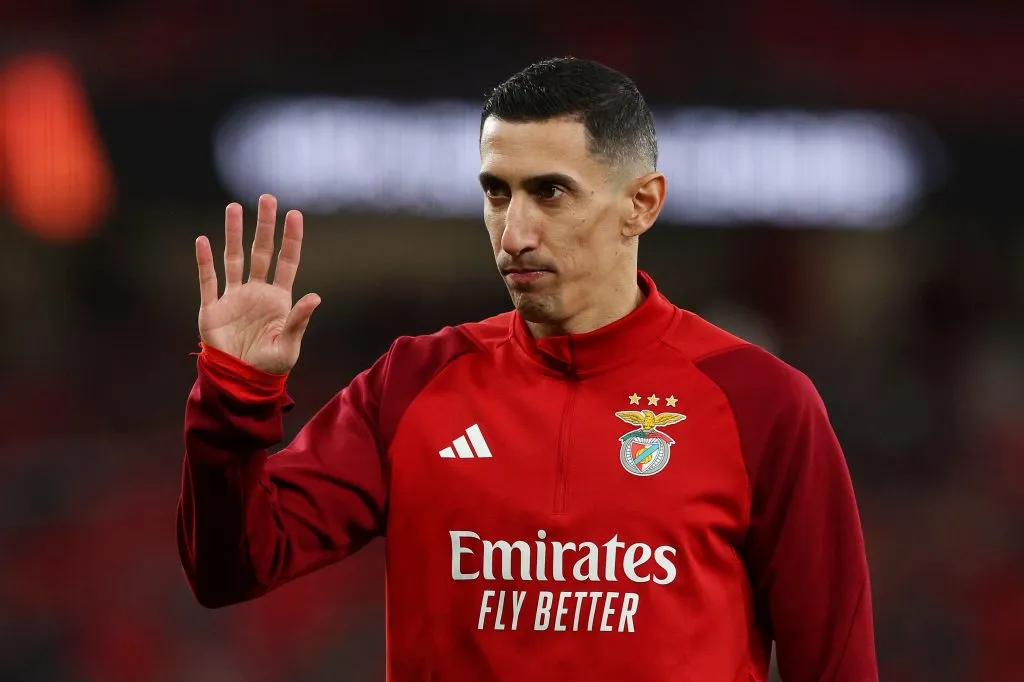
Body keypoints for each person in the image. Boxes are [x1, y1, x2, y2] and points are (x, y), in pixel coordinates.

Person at [179, 57, 878, 681]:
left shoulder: (761, 402)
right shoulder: (412, 383)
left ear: (642, 204)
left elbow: (836, 663)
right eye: (495, 192)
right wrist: (233, 400)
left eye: (550, 192)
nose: (513, 233)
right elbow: (232, 567)